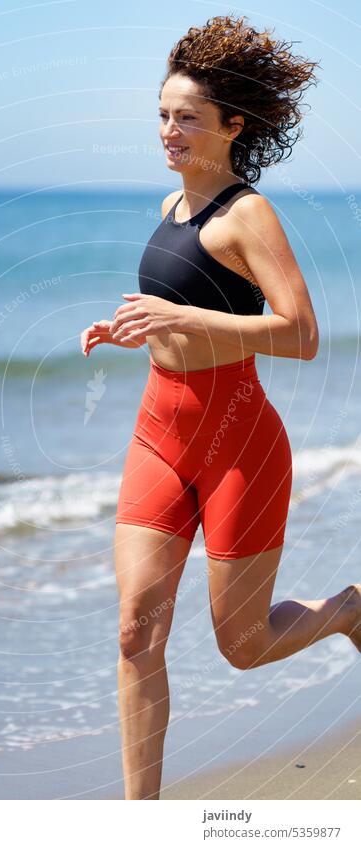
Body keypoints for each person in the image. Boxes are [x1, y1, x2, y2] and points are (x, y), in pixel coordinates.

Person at [80, 14, 361, 801]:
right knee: (136, 630)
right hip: (157, 433)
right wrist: (132, 327)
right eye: (162, 115)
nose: (168, 131)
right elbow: (183, 311)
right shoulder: (171, 207)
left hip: (238, 443)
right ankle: (144, 817)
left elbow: (299, 334)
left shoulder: (246, 214)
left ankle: (344, 607)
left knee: (241, 644)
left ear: (232, 125)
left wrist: (179, 320)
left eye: (186, 118)